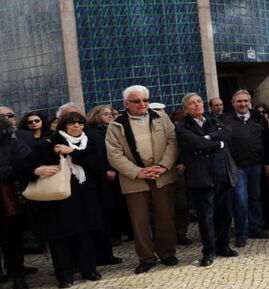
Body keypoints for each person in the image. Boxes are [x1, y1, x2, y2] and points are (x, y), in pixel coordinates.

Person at [106, 85, 179, 274]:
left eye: (145, 100)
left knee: (164, 217)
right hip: (135, 179)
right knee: (140, 221)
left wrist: (163, 165)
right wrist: (138, 172)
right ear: (126, 104)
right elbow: (114, 154)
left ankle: (167, 252)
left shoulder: (161, 117)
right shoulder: (116, 125)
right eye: (137, 101)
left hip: (162, 175)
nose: (142, 104)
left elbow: (173, 141)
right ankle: (146, 257)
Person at [28, 112, 105, 287]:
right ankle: (64, 274)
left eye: (80, 123)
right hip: (59, 197)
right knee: (60, 237)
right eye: (72, 123)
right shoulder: (49, 143)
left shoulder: (90, 142)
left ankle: (89, 269)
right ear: (63, 125)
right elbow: (29, 164)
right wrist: (37, 170)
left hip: (85, 195)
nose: (76, 126)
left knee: (85, 233)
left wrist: (73, 152)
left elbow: (96, 164)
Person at [175, 93, 239, 266]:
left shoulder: (214, 120)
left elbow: (228, 132)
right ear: (186, 109)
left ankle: (223, 246)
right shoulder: (182, 127)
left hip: (222, 174)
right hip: (201, 178)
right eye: (192, 103)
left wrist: (208, 138)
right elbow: (194, 144)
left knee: (224, 214)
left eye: (198, 101)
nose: (197, 105)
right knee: (206, 218)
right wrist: (216, 143)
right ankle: (208, 251)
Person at [222, 90, 269, 247]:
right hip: (237, 167)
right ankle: (241, 233)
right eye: (239, 101)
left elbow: (267, 142)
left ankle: (256, 228)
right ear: (233, 103)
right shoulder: (225, 120)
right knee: (240, 200)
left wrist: (268, 162)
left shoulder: (259, 118)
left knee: (255, 198)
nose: (243, 104)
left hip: (256, 165)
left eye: (245, 101)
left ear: (250, 101)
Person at [84, 105, 123, 264]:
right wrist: (108, 169)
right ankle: (102, 253)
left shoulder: (113, 130)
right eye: (106, 114)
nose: (110, 116)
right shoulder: (92, 133)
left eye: (111, 114)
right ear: (96, 116)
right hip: (102, 179)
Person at [0, 116, 33, 289]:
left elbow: (25, 163)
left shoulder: (11, 142)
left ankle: (17, 277)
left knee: (11, 240)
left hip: (7, 199)